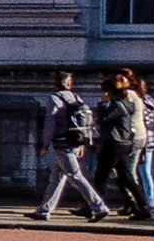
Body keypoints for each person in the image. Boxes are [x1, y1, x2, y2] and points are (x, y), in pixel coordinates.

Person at [34, 72, 112, 221]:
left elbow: (50, 123)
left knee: (75, 176)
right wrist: (83, 142)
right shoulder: (77, 98)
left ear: (55, 84)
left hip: (63, 142)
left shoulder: (54, 98)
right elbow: (86, 121)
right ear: (70, 84)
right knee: (56, 178)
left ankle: (99, 207)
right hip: (76, 141)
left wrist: (45, 145)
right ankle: (44, 210)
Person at [101, 72, 154, 223]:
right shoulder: (136, 96)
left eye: (121, 80)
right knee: (127, 173)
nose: (119, 82)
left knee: (128, 174)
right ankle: (134, 204)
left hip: (130, 138)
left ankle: (136, 205)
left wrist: (104, 105)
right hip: (138, 137)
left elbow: (116, 114)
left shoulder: (129, 96)